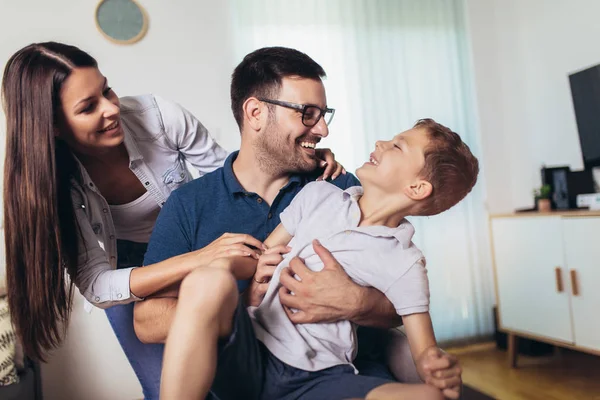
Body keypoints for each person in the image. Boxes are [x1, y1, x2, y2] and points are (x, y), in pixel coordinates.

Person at [1, 42, 343, 399]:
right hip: (132, 270)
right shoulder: (54, 183)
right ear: (53, 126)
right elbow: (98, 283)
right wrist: (199, 258)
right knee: (162, 385)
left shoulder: (158, 117)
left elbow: (233, 178)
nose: (111, 109)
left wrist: (300, 157)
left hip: (200, 241)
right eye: (88, 107)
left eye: (107, 90)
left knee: (225, 371)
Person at [135, 47, 462, 398]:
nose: (321, 129)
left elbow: (401, 299)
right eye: (308, 114)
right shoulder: (190, 203)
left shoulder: (338, 186)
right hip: (248, 356)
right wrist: (242, 300)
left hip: (331, 371)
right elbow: (147, 321)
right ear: (256, 113)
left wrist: (356, 301)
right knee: (210, 280)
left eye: (324, 115)